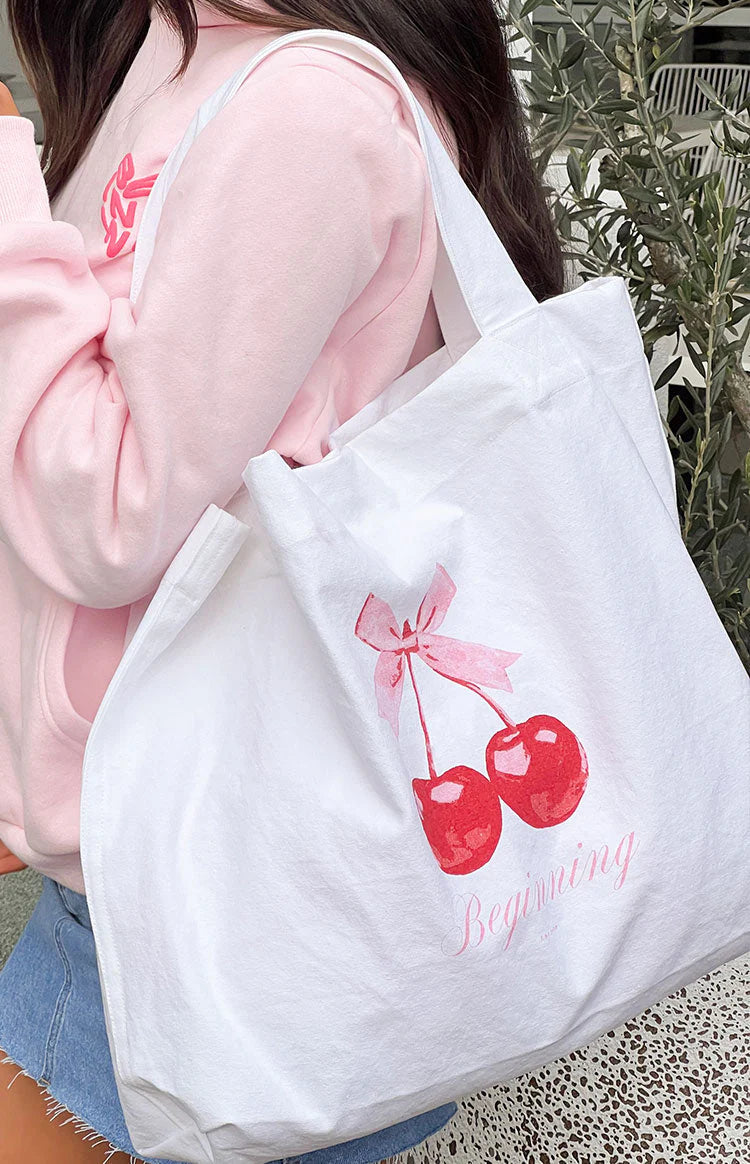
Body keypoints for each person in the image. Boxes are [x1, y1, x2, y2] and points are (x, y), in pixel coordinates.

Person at [0, 1, 564, 1160]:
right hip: (199, 868)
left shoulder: (310, 106)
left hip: (216, 903)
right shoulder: (178, 52)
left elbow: (110, 509)